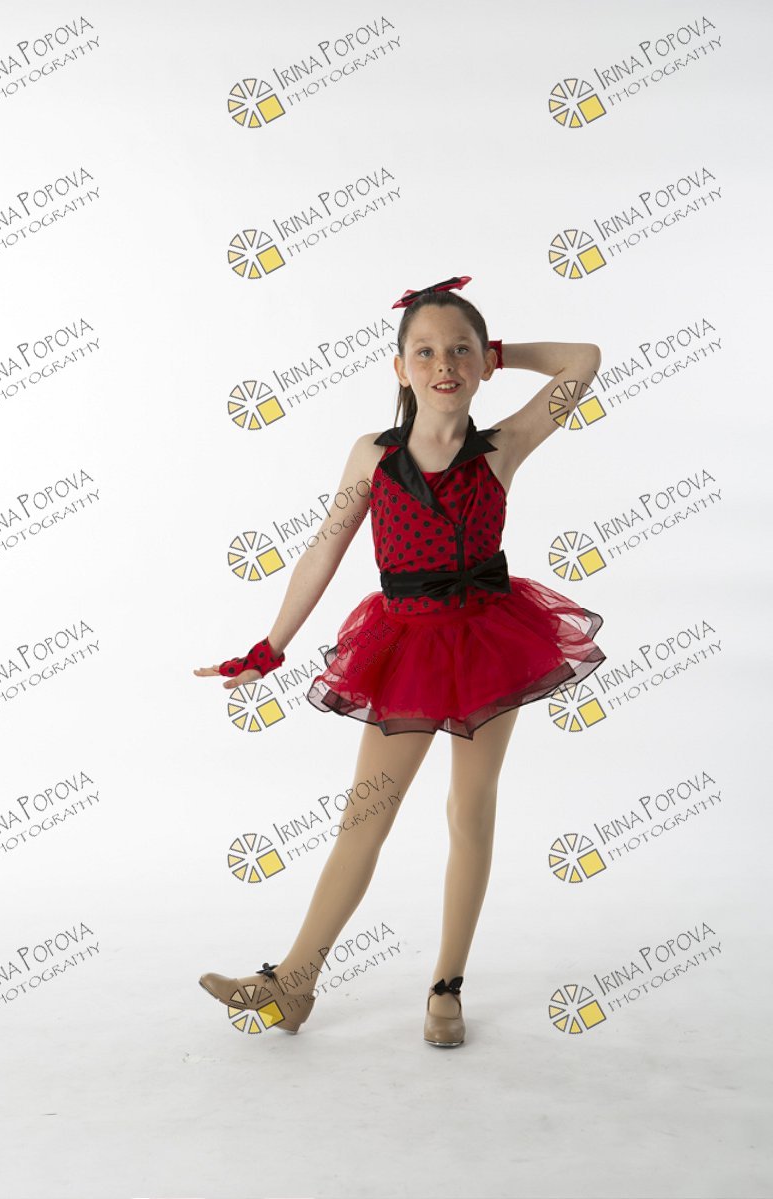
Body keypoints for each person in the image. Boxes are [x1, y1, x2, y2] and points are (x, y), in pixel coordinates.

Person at [194, 275, 606, 1047]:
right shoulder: (373, 455)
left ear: (481, 362)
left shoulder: (503, 446)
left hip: (488, 641)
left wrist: (501, 352)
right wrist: (270, 646)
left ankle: (446, 987)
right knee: (365, 816)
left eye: (461, 350)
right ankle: (293, 981)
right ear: (399, 367)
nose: (444, 364)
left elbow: (583, 358)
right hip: (404, 645)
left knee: (468, 810)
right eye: (425, 351)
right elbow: (323, 550)